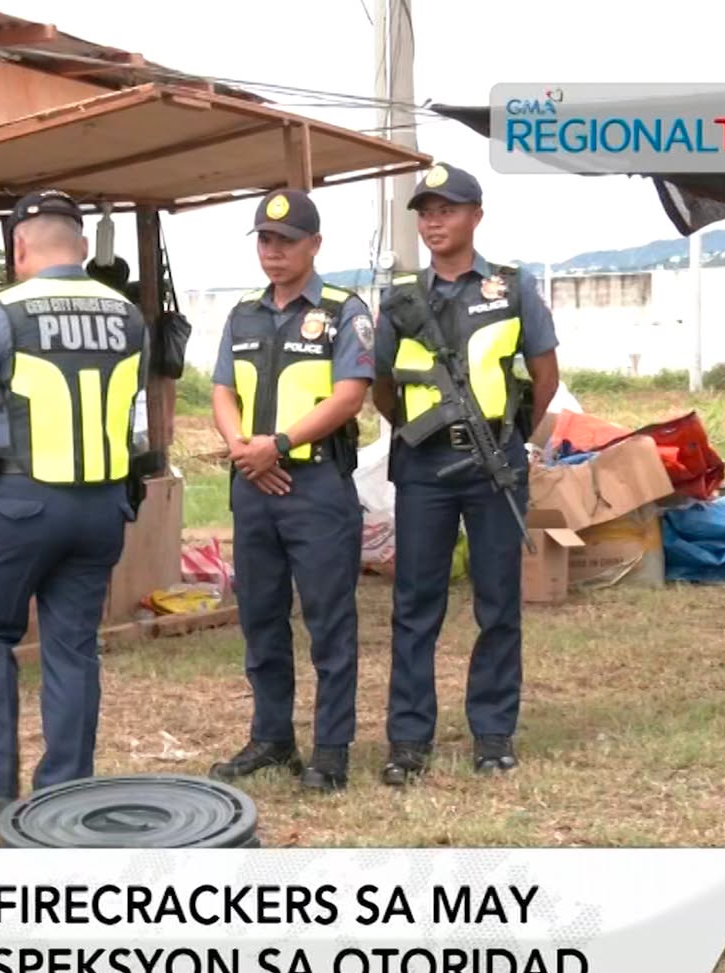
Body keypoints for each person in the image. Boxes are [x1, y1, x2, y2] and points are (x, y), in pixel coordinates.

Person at [0, 190, 146, 836]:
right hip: (103, 505)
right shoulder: (129, 315)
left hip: (23, 502)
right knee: (73, 649)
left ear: (19, 248)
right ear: (81, 246)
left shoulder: (2, 313)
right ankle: (67, 797)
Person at [372, 163, 559, 786]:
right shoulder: (400, 297)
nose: (433, 220)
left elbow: (544, 375)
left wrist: (512, 441)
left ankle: (493, 731)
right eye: (425, 210)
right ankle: (408, 739)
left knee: (498, 602)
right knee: (414, 604)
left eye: (446, 209)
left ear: (476, 214)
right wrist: (427, 424)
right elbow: (381, 387)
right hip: (424, 464)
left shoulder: (511, 287)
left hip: (494, 464)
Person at [207, 189, 371, 793]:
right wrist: (244, 450)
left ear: (314, 245)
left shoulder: (342, 311)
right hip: (254, 484)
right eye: (265, 242)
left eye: (286, 241)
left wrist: (276, 444)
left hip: (315, 484)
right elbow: (222, 390)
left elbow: (349, 395)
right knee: (260, 617)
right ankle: (272, 736)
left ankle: (332, 749)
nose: (273, 253)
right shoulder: (243, 314)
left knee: (329, 621)